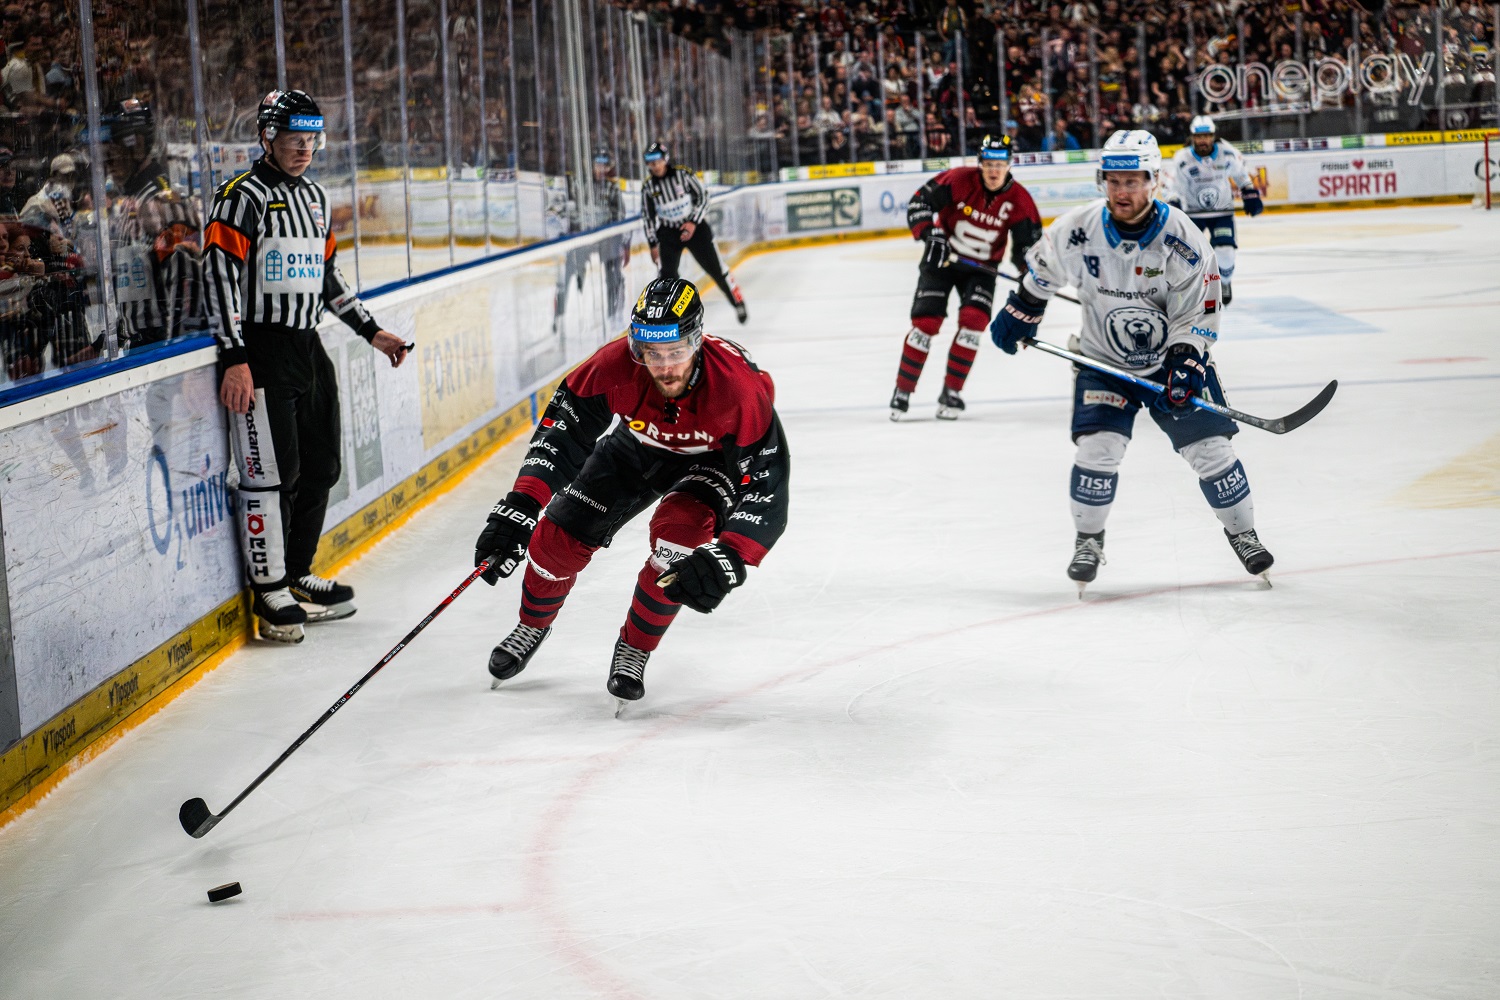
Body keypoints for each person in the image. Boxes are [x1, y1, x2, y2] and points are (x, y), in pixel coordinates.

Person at [473, 276, 790, 712]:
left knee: (680, 539)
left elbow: (768, 483)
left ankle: (635, 647)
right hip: (637, 445)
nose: (664, 367)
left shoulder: (738, 391)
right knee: (554, 542)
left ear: (697, 341)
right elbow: (563, 433)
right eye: (650, 353)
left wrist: (733, 555)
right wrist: (523, 502)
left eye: (676, 352)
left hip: (714, 459)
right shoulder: (614, 364)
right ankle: (531, 625)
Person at [990, 129, 1274, 592]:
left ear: (1153, 180)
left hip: (1170, 364)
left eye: (1133, 181)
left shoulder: (1182, 238)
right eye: (1114, 181)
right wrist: (1021, 311)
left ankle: (1244, 534)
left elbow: (1200, 310)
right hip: (1103, 362)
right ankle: (1088, 540)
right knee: (1097, 450)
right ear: (1103, 180)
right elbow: (1043, 269)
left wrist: (1187, 361)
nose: (1122, 192)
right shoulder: (1078, 228)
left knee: (1211, 451)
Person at [205, 90, 410, 643]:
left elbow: (327, 277)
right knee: (273, 475)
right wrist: (234, 356)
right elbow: (219, 276)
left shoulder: (316, 198)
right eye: (294, 139)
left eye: (311, 140)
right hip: (262, 349)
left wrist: (371, 331)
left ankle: (296, 572)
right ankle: (269, 588)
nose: (304, 149)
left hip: (308, 347)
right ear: (266, 138)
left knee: (322, 467)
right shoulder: (241, 197)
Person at [891, 133, 1041, 421]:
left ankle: (952, 391)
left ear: (1009, 164)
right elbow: (919, 203)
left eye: (1000, 164)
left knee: (974, 322)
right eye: (989, 164)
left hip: (981, 270)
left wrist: (1028, 273)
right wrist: (931, 234)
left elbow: (1028, 247)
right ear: (980, 163)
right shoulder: (957, 180)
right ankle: (903, 391)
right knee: (926, 323)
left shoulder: (1020, 200)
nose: (994, 171)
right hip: (942, 259)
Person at [101, 99, 203, 350]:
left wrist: (177, 350)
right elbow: (133, 283)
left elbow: (186, 283)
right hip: (141, 342)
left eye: (112, 153)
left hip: (160, 343)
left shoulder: (162, 200)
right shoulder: (130, 201)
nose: (107, 164)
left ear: (137, 145)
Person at [639, 140, 747, 324]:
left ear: (665, 159)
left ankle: (738, 302)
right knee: (667, 279)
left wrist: (693, 222)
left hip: (696, 230)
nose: (654, 166)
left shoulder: (683, 175)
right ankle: (669, 319)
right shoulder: (648, 187)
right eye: (650, 162)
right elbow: (648, 217)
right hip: (668, 233)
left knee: (716, 269)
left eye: (657, 160)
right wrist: (652, 244)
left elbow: (704, 197)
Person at [1167, 115, 1262, 306]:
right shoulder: (1182, 158)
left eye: (1207, 136)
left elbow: (1241, 175)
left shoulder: (1227, 153)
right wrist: (1173, 201)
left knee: (1225, 251)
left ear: (1213, 136)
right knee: (1185, 256)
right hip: (1193, 215)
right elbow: (1173, 185)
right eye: (1199, 136)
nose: (1203, 140)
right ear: (1192, 137)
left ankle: (1224, 282)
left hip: (1222, 213)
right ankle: (1189, 289)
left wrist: (1249, 191)